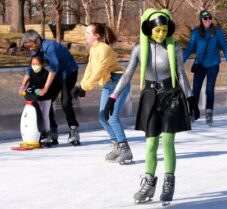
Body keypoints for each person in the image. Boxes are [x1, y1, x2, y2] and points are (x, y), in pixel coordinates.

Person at [104, 8, 200, 204]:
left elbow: (181, 74)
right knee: (151, 143)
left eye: (164, 30)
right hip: (150, 96)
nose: (161, 34)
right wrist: (113, 97)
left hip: (171, 95)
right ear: (148, 29)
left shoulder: (174, 49)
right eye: (157, 31)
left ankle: (169, 181)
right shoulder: (139, 49)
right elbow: (128, 74)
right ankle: (148, 182)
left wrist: (191, 99)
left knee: (167, 141)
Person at [71, 23, 133, 164]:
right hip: (108, 84)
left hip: (119, 83)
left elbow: (99, 71)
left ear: (96, 36)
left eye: (88, 33)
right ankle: (117, 145)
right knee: (102, 116)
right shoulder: (94, 49)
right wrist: (81, 85)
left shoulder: (104, 49)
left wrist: (85, 87)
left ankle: (125, 150)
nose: (85, 35)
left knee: (112, 118)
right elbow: (90, 68)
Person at [22, 29, 80, 145]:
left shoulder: (50, 47)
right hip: (56, 74)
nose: (30, 49)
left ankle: (73, 130)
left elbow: (53, 68)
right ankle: (51, 129)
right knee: (45, 101)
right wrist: (23, 86)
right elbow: (30, 69)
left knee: (65, 102)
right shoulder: (36, 50)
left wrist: (45, 88)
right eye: (28, 47)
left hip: (69, 73)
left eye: (31, 46)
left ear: (37, 40)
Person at [183, 10, 227, 126]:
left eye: (209, 18)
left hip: (213, 64)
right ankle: (193, 112)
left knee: (209, 89)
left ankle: (209, 111)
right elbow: (189, 48)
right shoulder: (196, 33)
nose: (208, 21)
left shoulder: (217, 32)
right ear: (201, 20)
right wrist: (181, 61)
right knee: (195, 89)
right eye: (205, 19)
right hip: (200, 65)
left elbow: (225, 47)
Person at [19, 55, 53, 147]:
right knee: (34, 116)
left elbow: (47, 86)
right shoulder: (30, 72)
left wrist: (41, 90)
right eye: (33, 64)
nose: (35, 66)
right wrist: (22, 88)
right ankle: (36, 133)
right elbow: (26, 82)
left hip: (45, 98)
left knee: (44, 115)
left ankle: (46, 134)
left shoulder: (46, 73)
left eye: (37, 64)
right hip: (34, 98)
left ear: (42, 64)